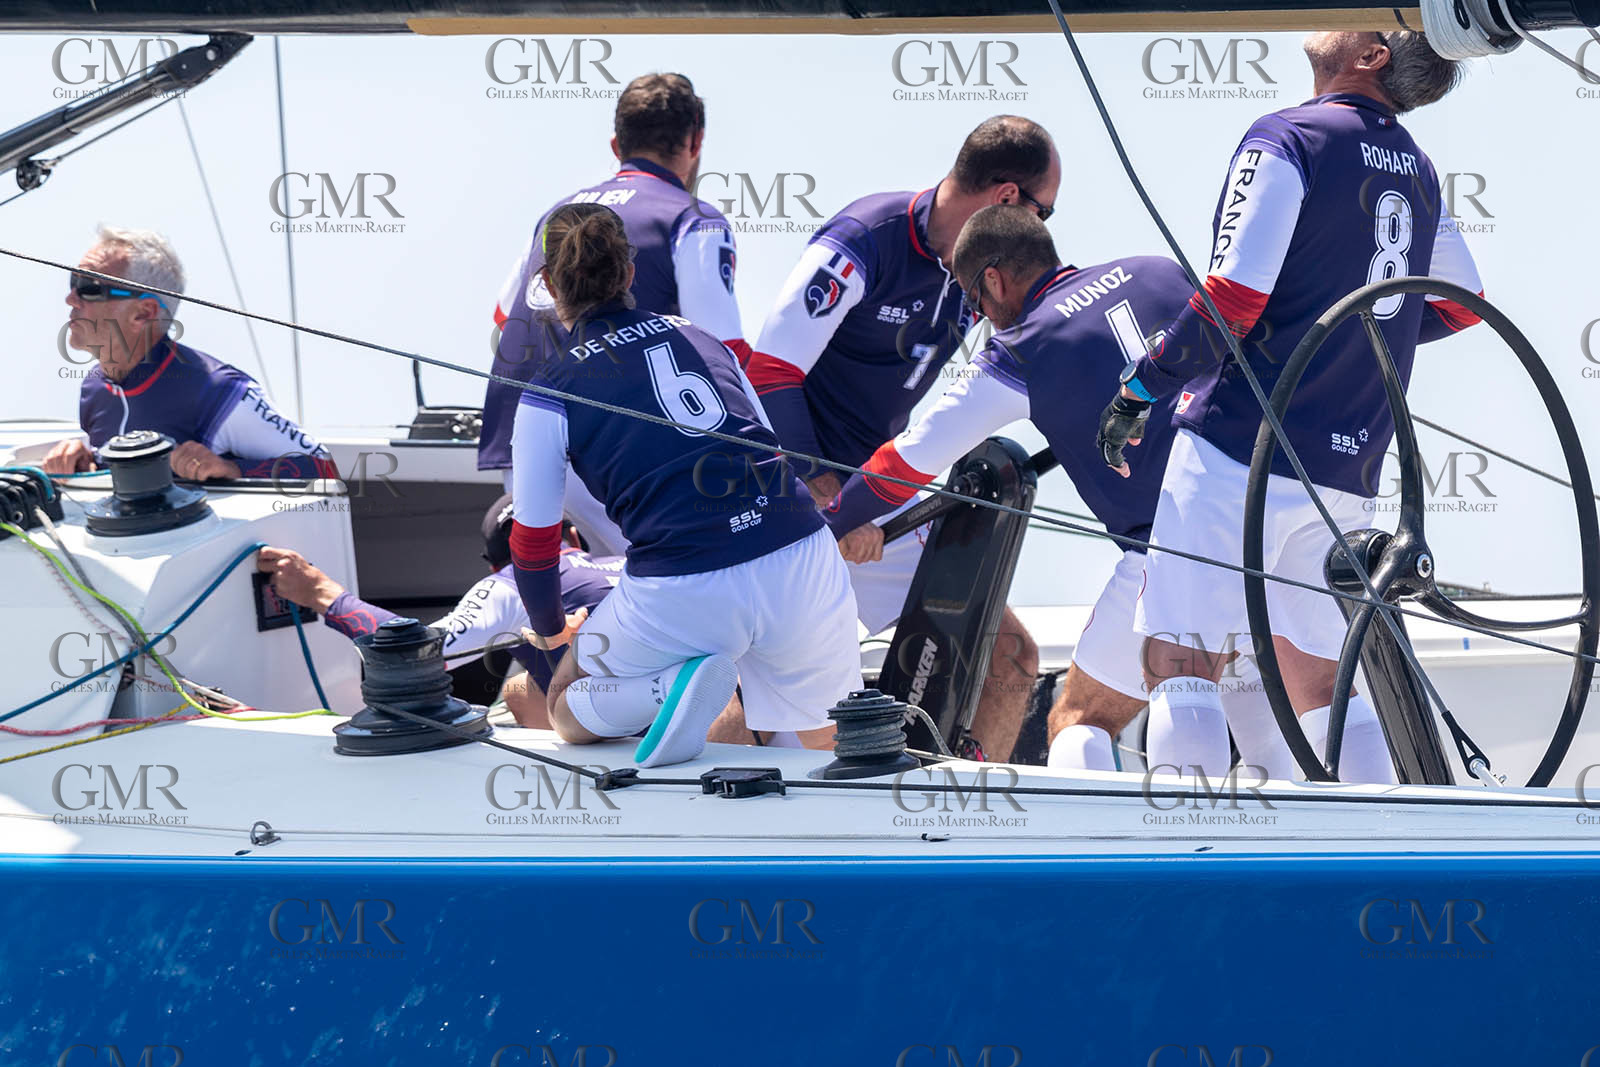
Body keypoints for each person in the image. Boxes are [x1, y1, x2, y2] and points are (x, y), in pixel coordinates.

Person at [1096, 31, 1484, 784]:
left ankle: (1189, 864)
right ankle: (1376, 852)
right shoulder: (1421, 167)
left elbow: (1233, 298)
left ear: (1370, 57)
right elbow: (1464, 305)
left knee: (1181, 654)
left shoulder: (1289, 135)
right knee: (1318, 674)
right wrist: (1360, 337)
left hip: (1238, 445)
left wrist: (1140, 384)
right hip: (1347, 471)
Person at [825, 205, 1295, 776]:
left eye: (976, 303)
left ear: (994, 279)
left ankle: (1126, 860)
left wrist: (830, 527)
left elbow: (908, 459)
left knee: (1080, 719)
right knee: (1267, 709)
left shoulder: (1023, 346)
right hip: (1277, 516)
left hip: (1175, 545)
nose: (981, 319)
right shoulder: (1160, 270)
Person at [746, 116, 1062, 761]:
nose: (1043, 230)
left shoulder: (989, 264)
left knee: (1009, 657)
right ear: (1006, 197)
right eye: (1045, 212)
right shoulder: (864, 240)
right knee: (757, 690)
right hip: (797, 493)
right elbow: (770, 371)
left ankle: (967, 827)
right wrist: (817, 481)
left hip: (875, 489)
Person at [509, 202, 861, 768]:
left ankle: (670, 686)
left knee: (565, 707)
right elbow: (770, 447)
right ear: (629, 273)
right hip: (801, 554)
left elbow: (532, 544)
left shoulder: (547, 390)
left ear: (549, 285)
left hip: (683, 588)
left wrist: (553, 634)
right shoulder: (703, 337)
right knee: (837, 740)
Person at [480, 72, 748, 557]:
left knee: (572, 604)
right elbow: (724, 351)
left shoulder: (557, 213)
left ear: (616, 143)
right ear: (696, 141)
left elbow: (504, 320)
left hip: (522, 447)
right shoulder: (693, 216)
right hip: (613, 449)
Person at [256, 495, 620, 727]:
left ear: (495, 566)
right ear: (573, 538)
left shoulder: (510, 583)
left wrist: (321, 593)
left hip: (629, 737)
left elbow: (419, 651)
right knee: (521, 687)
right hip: (671, 718)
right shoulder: (627, 565)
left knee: (518, 694)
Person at [44, 226, 335, 481]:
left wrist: (231, 469)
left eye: (89, 288)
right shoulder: (95, 387)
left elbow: (324, 468)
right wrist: (87, 462)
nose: (70, 298)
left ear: (144, 312)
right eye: (73, 282)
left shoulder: (216, 391)